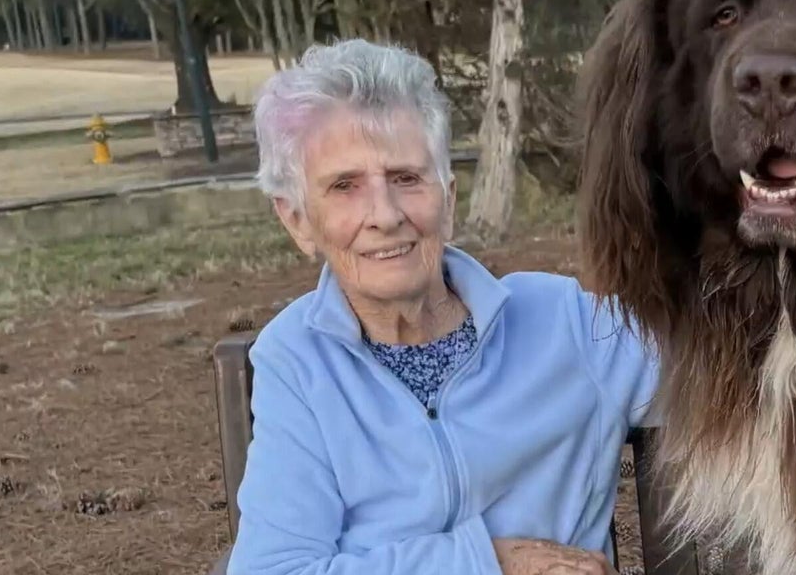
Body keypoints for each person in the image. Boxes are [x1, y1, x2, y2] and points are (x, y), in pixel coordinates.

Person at [226, 39, 658, 575]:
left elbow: (732, 366)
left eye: (406, 178)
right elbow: (275, 570)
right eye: (345, 186)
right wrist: (487, 563)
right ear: (297, 221)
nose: (384, 214)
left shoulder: (566, 324)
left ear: (448, 200)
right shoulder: (296, 362)